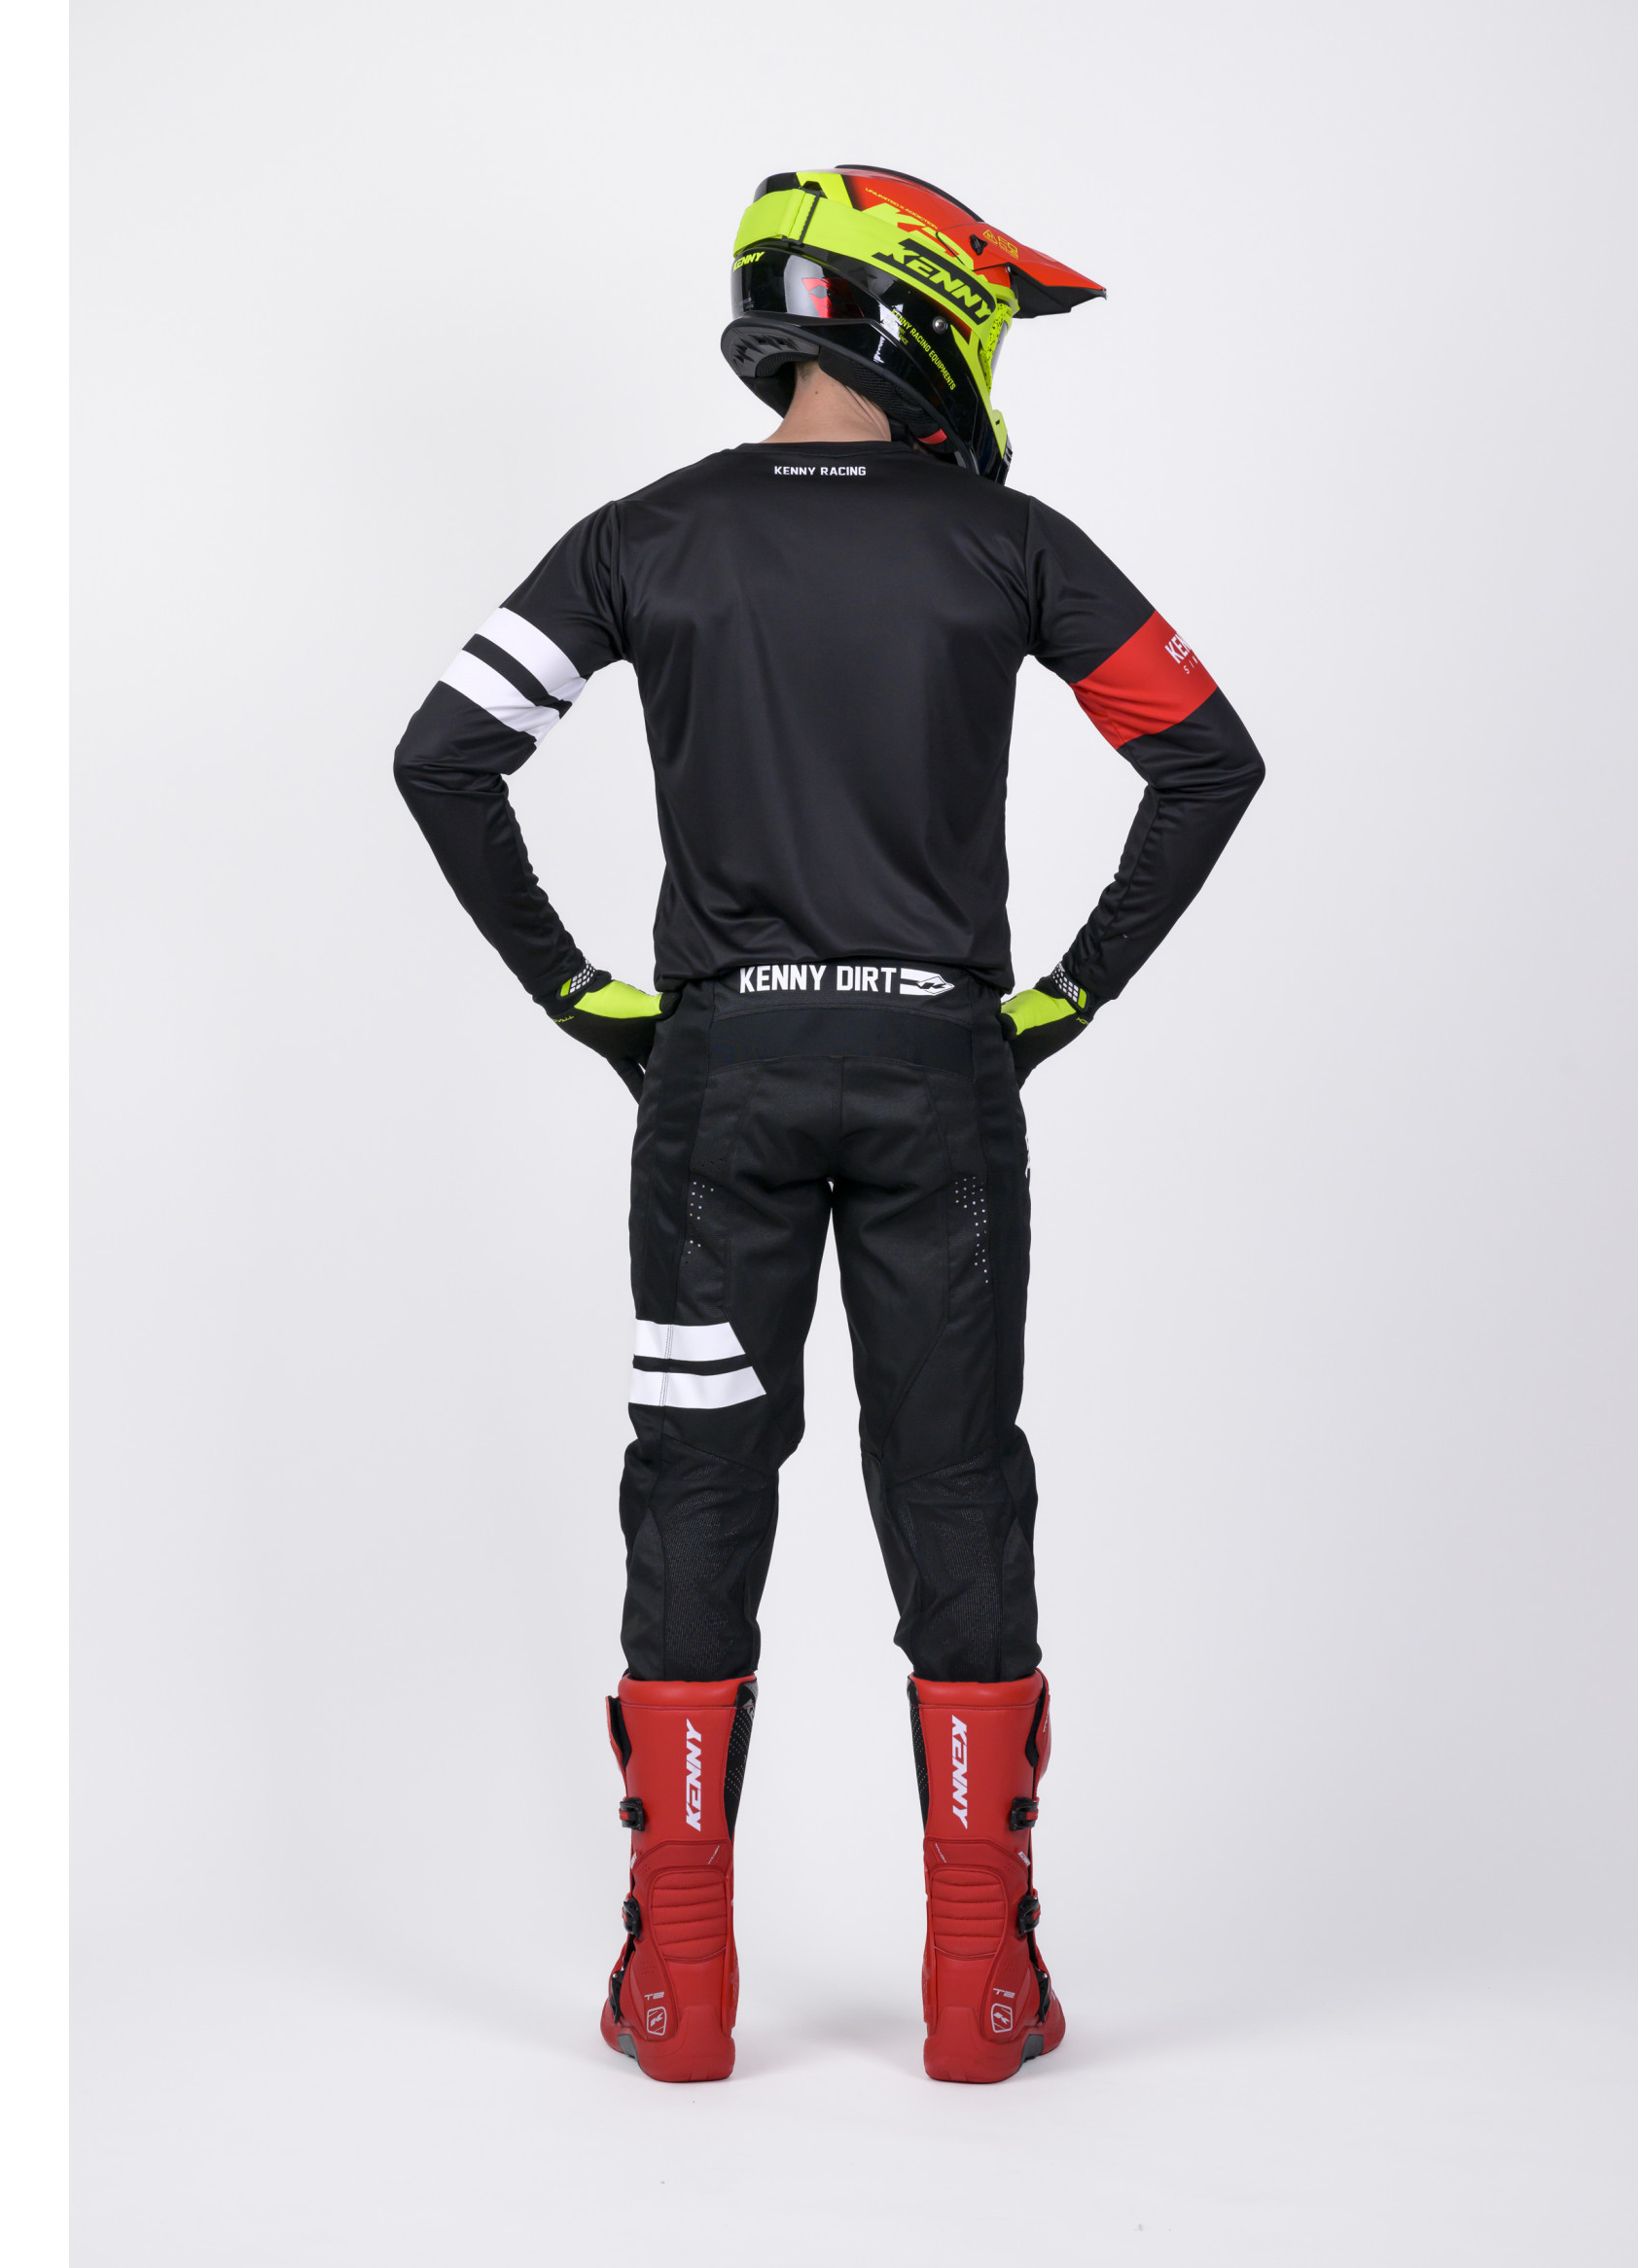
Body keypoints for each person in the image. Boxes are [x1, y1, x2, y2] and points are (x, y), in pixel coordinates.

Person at [394, 166, 1264, 2084]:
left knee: (697, 1481)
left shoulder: (649, 537)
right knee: (954, 1483)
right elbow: (1208, 760)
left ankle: (679, 1990)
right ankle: (981, 1993)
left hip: (720, 1080)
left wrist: (585, 998)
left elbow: (445, 753)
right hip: (943, 1070)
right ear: (927, 313)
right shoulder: (1009, 543)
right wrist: (1065, 998)